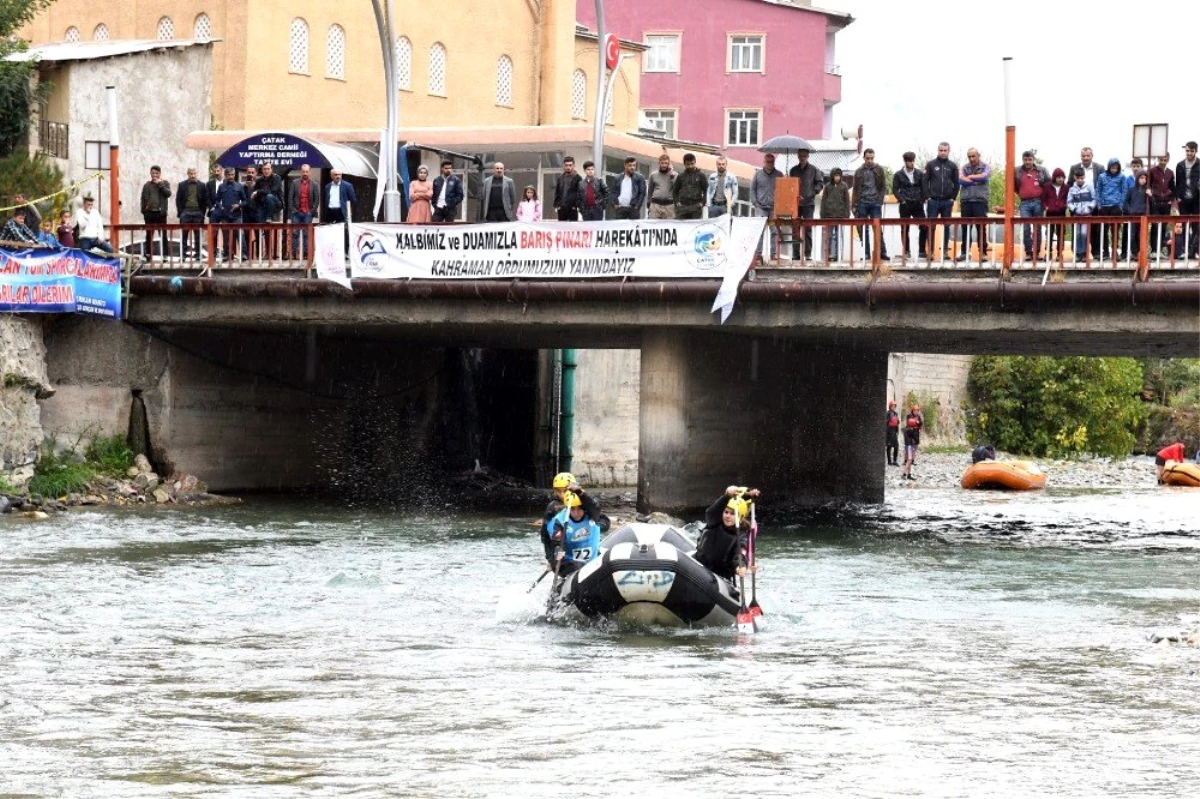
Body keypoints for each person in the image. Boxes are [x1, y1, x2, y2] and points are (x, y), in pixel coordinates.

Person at [540, 472, 607, 570]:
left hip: (583, 541)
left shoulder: (584, 500)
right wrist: (551, 559)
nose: (562, 495)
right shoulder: (554, 509)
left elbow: (601, 518)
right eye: (559, 491)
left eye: (565, 490)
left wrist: (596, 526)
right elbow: (545, 536)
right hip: (562, 544)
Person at [695, 485, 761, 581]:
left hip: (719, 575)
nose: (728, 516)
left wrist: (740, 566)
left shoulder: (741, 534)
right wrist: (726, 496)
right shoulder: (715, 522)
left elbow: (739, 552)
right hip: (700, 562)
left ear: (740, 516)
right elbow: (710, 513)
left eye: (732, 513)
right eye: (726, 512)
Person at [549, 492, 604, 578]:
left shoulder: (592, 515)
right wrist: (558, 550)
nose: (576, 513)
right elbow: (557, 540)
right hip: (570, 562)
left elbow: (596, 509)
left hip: (592, 559)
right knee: (575, 565)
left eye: (579, 509)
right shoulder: (560, 521)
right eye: (572, 509)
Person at [924, 142, 959, 259]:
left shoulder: (953, 166)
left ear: (949, 151)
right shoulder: (930, 165)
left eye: (945, 150)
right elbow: (925, 181)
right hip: (933, 200)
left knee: (947, 226)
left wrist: (953, 198)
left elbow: (957, 183)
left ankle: (945, 251)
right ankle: (931, 252)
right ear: (938, 150)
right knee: (931, 226)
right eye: (941, 150)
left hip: (947, 201)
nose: (943, 152)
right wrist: (928, 196)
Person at [852, 148, 888, 261]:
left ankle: (882, 252)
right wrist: (854, 204)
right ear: (864, 158)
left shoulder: (879, 169)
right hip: (862, 202)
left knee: (877, 228)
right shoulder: (858, 171)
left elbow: (883, 186)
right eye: (867, 158)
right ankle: (866, 253)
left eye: (871, 158)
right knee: (863, 229)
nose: (869, 160)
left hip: (875, 202)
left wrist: (879, 201)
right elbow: (855, 189)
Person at [788, 148, 824, 260]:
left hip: (809, 203)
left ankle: (808, 254)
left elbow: (820, 184)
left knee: (808, 228)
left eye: (804, 156)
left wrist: (811, 192)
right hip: (796, 204)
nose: (802, 158)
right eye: (800, 156)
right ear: (798, 157)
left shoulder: (814, 170)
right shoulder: (793, 170)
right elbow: (790, 186)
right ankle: (795, 254)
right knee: (795, 228)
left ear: (808, 156)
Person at [1014, 151, 1050, 262]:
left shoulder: (1042, 170)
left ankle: (1037, 252)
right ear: (1022, 160)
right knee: (1025, 227)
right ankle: (1029, 252)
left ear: (1033, 160)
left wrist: (1046, 201)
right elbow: (1014, 185)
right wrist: (1021, 193)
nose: (1028, 162)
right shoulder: (1017, 171)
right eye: (1025, 160)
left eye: (1030, 159)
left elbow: (1049, 184)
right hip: (1024, 202)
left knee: (1037, 228)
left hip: (1038, 201)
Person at [957, 148, 991, 262]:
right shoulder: (963, 168)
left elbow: (984, 176)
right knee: (965, 227)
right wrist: (976, 179)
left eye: (973, 156)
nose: (971, 159)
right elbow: (961, 180)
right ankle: (964, 252)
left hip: (980, 200)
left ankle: (983, 253)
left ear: (978, 155)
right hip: (966, 200)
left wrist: (970, 177)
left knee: (981, 227)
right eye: (969, 157)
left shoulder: (986, 166)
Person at [892, 151, 926, 260]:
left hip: (917, 203)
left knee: (924, 226)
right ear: (905, 161)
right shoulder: (898, 174)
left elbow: (924, 188)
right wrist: (902, 200)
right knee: (904, 228)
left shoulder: (919, 173)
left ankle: (922, 250)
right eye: (909, 161)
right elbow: (895, 189)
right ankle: (906, 251)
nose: (911, 163)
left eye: (912, 161)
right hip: (905, 203)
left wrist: (921, 200)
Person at [1071, 147, 1104, 259]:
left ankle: (1095, 253)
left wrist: (1095, 204)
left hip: (1093, 205)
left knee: (1094, 230)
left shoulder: (1099, 168)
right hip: (1077, 207)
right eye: (1083, 156)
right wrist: (1072, 207)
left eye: (1088, 156)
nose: (1085, 158)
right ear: (1081, 157)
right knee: (1078, 232)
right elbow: (1070, 185)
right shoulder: (1074, 168)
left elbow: (1102, 185)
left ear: (1091, 156)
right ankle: (1079, 254)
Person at [1095, 157, 1130, 260]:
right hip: (1104, 207)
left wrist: (1120, 205)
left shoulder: (1122, 177)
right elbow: (1098, 190)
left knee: (1115, 230)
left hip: (1116, 206)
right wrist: (1099, 205)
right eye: (1112, 167)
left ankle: (1115, 251)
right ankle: (1105, 252)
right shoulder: (1102, 177)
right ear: (1109, 167)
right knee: (1103, 230)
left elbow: (1124, 191)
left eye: (1116, 167)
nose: (1114, 169)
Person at [211, 168, 248, 261]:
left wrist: (238, 205)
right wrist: (221, 207)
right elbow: (217, 200)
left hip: (236, 215)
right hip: (225, 215)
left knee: (240, 234)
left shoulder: (239, 186)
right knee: (226, 236)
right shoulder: (221, 187)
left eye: (232, 175)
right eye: (229, 175)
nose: (231, 177)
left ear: (234, 175)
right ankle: (228, 254)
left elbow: (245, 201)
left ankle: (243, 254)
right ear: (226, 175)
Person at [175, 166, 210, 260]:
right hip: (185, 212)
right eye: (191, 173)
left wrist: (202, 213)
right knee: (184, 235)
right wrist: (181, 213)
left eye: (194, 173)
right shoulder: (182, 184)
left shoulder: (202, 185)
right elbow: (178, 200)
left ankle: (198, 254)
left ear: (197, 174)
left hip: (198, 212)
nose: (193, 175)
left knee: (198, 235)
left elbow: (205, 200)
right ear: (188, 174)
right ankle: (183, 254)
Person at [750, 153, 781, 257]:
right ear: (764, 162)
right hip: (761, 208)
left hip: (774, 209)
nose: (770, 164)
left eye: (772, 162)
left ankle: (774, 254)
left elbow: (783, 191)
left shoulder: (779, 175)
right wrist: (755, 203)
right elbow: (752, 189)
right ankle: (758, 254)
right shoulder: (758, 174)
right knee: (759, 231)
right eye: (768, 161)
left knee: (774, 231)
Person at [287, 163, 320, 259]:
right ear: (301, 172)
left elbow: (316, 200)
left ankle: (306, 254)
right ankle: (293, 254)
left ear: (309, 172)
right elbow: (290, 198)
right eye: (303, 171)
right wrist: (293, 210)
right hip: (296, 213)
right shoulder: (294, 183)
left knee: (307, 234)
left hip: (308, 213)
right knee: (295, 233)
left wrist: (312, 211)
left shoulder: (314, 184)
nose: (305, 173)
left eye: (307, 171)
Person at [140, 165, 172, 261]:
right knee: (149, 234)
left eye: (156, 173)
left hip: (161, 213)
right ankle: (148, 255)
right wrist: (144, 211)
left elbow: (168, 194)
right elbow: (142, 199)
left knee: (163, 234)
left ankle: (165, 255)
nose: (154, 175)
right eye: (153, 173)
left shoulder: (165, 183)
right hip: (149, 213)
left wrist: (160, 184)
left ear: (159, 174)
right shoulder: (147, 185)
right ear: (150, 173)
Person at [1066, 167, 1097, 262]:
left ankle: (1084, 253)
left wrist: (1089, 207)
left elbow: (1094, 199)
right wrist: (1074, 208)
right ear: (1074, 177)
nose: (1080, 180)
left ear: (1084, 177)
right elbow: (1069, 201)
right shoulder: (1072, 189)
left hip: (1087, 215)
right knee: (1077, 234)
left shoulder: (1089, 187)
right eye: (1078, 178)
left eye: (1082, 178)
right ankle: (1078, 254)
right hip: (1076, 215)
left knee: (1084, 233)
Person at [819, 168, 850, 262]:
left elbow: (847, 201)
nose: (837, 177)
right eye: (835, 175)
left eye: (839, 175)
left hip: (840, 215)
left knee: (837, 235)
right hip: (829, 215)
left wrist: (846, 213)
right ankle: (827, 255)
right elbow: (823, 200)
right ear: (832, 176)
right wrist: (822, 213)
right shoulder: (828, 186)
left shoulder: (844, 186)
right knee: (828, 235)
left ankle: (836, 254)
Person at [1176, 142, 1200, 261]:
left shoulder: (1199, 163)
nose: (1189, 153)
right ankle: (1184, 250)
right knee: (1184, 225)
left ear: (1196, 151)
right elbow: (1178, 183)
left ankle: (1194, 250)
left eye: (1192, 151)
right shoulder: (1180, 165)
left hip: (1197, 199)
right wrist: (1178, 196)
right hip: (1184, 199)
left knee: (1196, 225)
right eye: (1187, 151)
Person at [1149, 154, 1176, 255]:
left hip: (1166, 203)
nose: (1163, 162)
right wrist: (1151, 197)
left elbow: (1173, 187)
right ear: (1158, 159)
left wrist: (1172, 199)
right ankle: (1154, 250)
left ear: (1168, 160)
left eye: (1165, 160)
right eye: (1161, 160)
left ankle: (1160, 249)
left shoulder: (1170, 172)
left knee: (1164, 227)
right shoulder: (1152, 171)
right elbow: (1149, 185)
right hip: (1155, 202)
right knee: (1155, 226)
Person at [1042, 168, 1070, 261]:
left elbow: (1068, 199)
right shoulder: (1047, 186)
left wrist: (1065, 205)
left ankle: (1059, 253)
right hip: (1050, 213)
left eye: (1062, 177)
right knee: (1049, 233)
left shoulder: (1066, 188)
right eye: (1058, 177)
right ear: (1054, 177)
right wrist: (1046, 206)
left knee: (1061, 233)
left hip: (1061, 213)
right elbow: (1043, 199)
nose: (1061, 179)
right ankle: (1048, 252)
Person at [1123, 170, 1151, 260]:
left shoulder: (1147, 190)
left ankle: (1141, 252)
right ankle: (1135, 253)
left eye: (1145, 178)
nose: (1143, 180)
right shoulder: (1131, 190)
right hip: (1133, 216)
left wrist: (1150, 195)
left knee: (1141, 235)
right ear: (1137, 178)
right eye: (1141, 178)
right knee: (1132, 235)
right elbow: (1125, 202)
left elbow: (1152, 203)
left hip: (1143, 216)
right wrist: (1130, 210)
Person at [672, 152, 707, 220]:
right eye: (688, 164)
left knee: (694, 229)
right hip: (683, 207)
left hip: (696, 207)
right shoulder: (680, 176)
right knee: (681, 228)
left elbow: (706, 190)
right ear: (684, 164)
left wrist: (702, 203)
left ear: (695, 162)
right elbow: (675, 191)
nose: (690, 166)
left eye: (692, 164)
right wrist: (677, 202)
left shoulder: (701, 175)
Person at [647, 154, 676, 220]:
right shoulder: (653, 175)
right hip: (655, 205)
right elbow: (650, 190)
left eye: (666, 163)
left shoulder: (675, 174)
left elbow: (676, 188)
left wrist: (671, 175)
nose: (664, 165)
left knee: (669, 227)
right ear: (659, 163)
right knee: (653, 226)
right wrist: (649, 203)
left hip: (669, 206)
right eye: (662, 163)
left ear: (669, 164)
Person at [552, 156, 581, 222]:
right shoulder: (560, 178)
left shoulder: (578, 178)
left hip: (572, 208)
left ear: (574, 166)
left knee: (572, 229)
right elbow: (557, 192)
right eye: (566, 165)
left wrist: (576, 205)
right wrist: (557, 205)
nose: (568, 167)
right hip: (562, 208)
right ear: (564, 166)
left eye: (570, 165)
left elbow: (580, 193)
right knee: (562, 230)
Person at [902, 404, 923, 481]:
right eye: (915, 410)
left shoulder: (914, 428)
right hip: (910, 444)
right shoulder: (908, 430)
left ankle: (909, 474)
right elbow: (907, 441)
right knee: (909, 459)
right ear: (912, 410)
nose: (916, 412)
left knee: (911, 459)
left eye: (917, 410)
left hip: (914, 442)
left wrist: (917, 424)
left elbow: (920, 423)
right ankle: (904, 474)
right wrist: (916, 423)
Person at [885, 400, 900, 466]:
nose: (893, 407)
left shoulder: (896, 413)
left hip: (894, 431)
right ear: (890, 406)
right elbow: (885, 422)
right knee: (889, 446)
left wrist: (897, 421)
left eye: (894, 406)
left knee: (896, 446)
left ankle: (894, 461)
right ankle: (889, 461)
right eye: (892, 406)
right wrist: (890, 420)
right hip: (889, 431)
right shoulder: (887, 413)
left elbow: (897, 422)